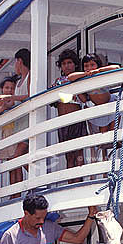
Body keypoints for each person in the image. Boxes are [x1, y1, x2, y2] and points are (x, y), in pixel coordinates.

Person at [0, 49, 31, 191]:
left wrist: (9, 97)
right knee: (15, 161)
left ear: (20, 61)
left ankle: (37, 180)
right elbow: (11, 103)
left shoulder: (28, 76)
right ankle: (15, 192)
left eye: (16, 61)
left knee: (16, 158)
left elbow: (29, 95)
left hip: (27, 122)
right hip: (18, 125)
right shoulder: (19, 80)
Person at [52, 49, 88, 180]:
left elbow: (84, 100)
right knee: (68, 155)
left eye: (69, 63)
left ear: (75, 64)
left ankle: (79, 181)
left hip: (76, 120)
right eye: (64, 63)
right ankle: (71, 182)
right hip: (63, 122)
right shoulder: (58, 81)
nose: (66, 66)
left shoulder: (79, 79)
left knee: (78, 152)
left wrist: (74, 86)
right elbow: (58, 100)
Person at [68, 53, 120, 133]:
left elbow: (116, 67)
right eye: (86, 66)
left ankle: (116, 142)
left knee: (113, 130)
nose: (89, 68)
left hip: (110, 103)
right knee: (103, 131)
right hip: (98, 108)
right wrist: (85, 74)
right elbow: (70, 77)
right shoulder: (85, 80)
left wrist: (98, 70)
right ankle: (105, 144)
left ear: (97, 65)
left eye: (92, 65)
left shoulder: (100, 75)